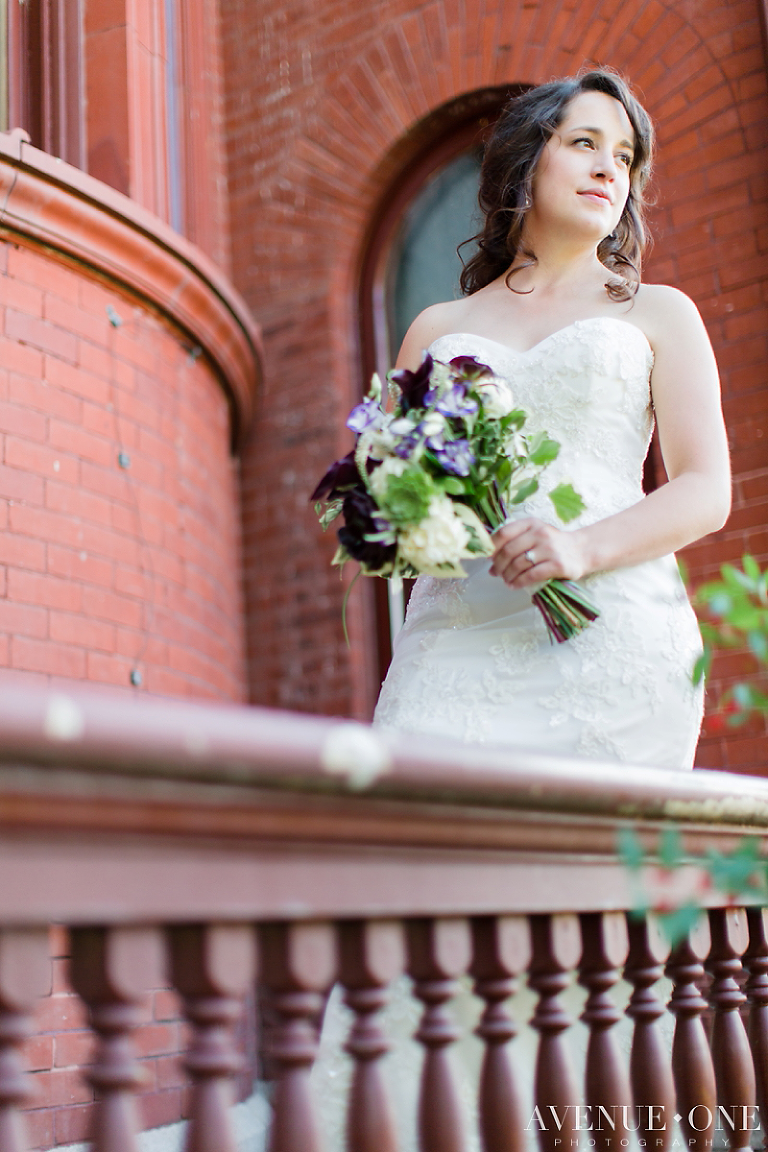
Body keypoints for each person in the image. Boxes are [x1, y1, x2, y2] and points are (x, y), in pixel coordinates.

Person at [372, 70, 731, 770]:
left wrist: (580, 550)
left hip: (610, 632)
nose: (608, 168)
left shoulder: (660, 313)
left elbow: (706, 489)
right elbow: (387, 500)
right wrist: (430, 519)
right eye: (585, 143)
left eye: (624, 157)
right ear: (528, 160)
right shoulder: (437, 328)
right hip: (454, 640)